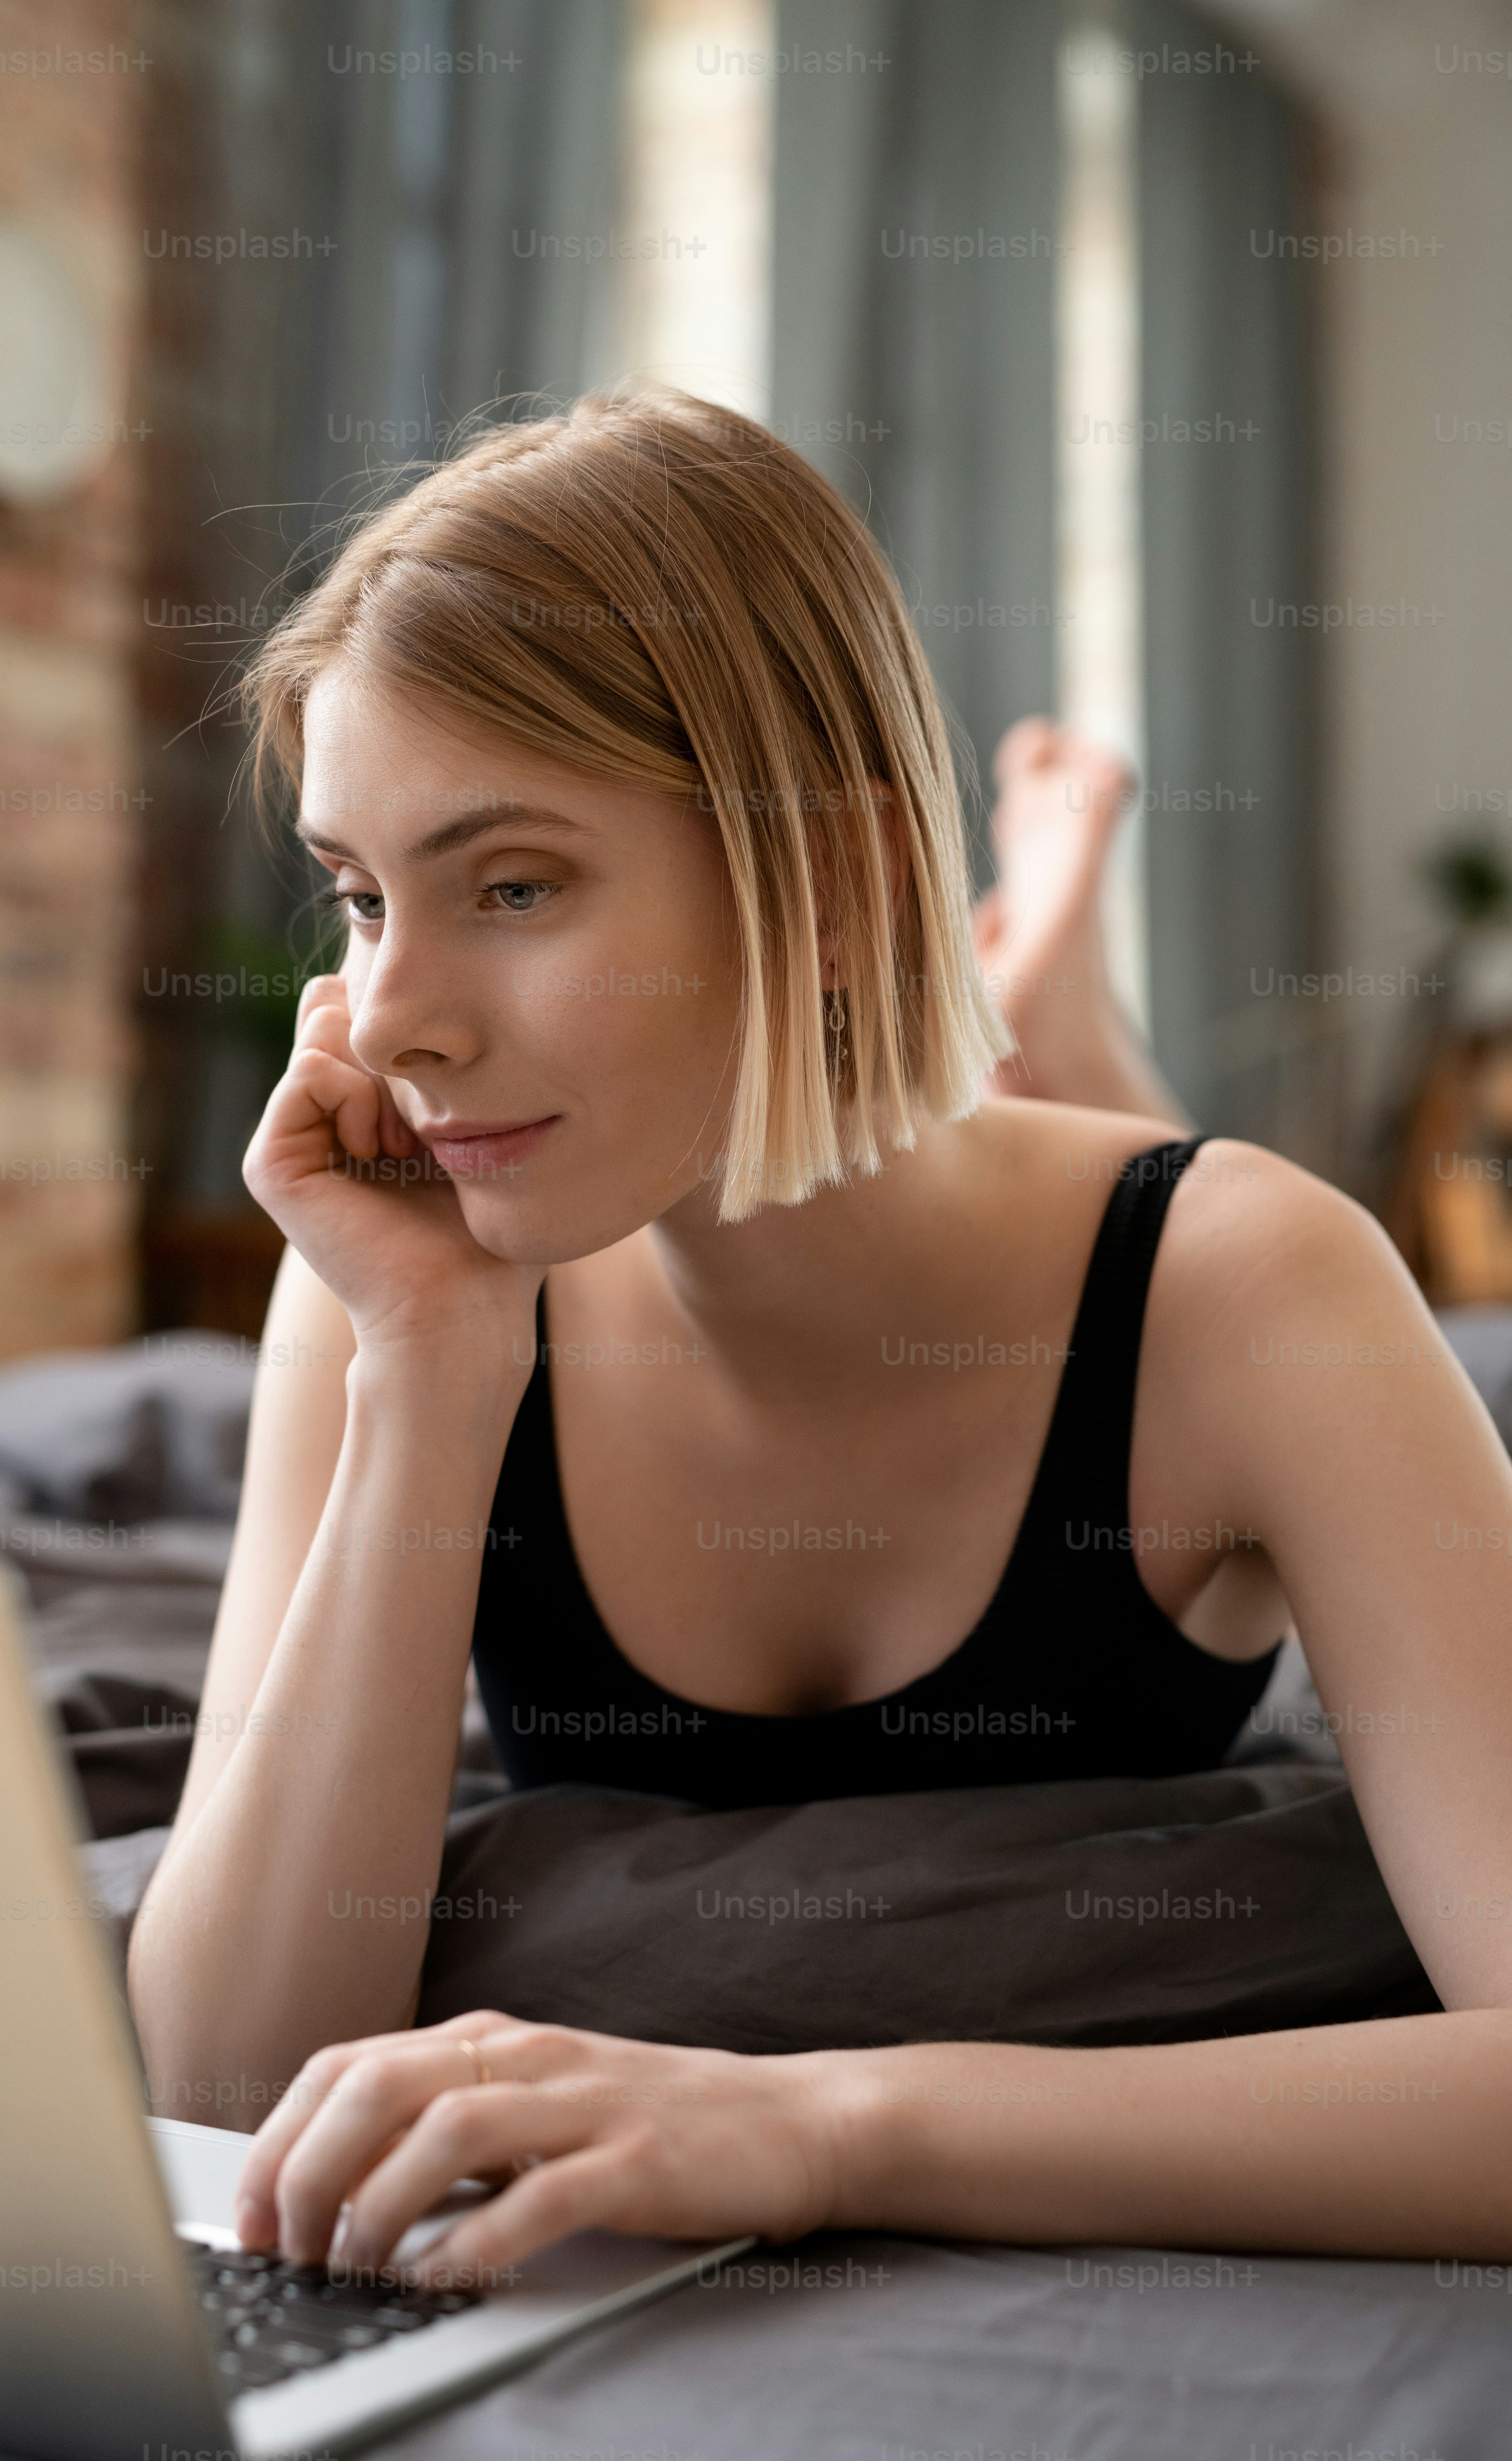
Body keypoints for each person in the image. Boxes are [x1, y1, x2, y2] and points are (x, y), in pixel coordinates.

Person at [130, 390, 1512, 2288]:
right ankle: (1031, 1000)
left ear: (847, 878)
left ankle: (1051, 1015)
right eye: (363, 899)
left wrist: (821, 2122)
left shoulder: (1258, 1286)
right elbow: (220, 2087)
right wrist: (430, 1386)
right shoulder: (391, 1280)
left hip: (1092, 1219)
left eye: (513, 886)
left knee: (1136, 1158)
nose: (392, 1023)